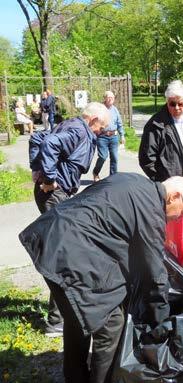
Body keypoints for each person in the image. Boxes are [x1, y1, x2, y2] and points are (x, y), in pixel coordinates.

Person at [19, 173, 183, 383]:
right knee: (111, 323)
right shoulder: (152, 209)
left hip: (49, 241)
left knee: (76, 320)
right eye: (181, 213)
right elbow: (154, 275)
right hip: (72, 254)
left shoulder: (134, 181)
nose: (177, 219)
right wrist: (160, 326)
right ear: (173, 197)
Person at [29, 101, 110, 337]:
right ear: (93, 120)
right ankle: (56, 322)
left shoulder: (71, 125)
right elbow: (49, 142)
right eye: (101, 128)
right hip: (54, 194)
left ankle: (60, 316)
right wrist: (48, 177)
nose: (101, 132)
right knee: (63, 256)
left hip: (57, 193)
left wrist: (36, 167)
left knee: (64, 252)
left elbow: (38, 139)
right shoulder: (78, 129)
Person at [139, 80, 183, 183]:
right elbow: (147, 159)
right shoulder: (155, 124)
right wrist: (163, 182)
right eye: (172, 104)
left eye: (180, 104)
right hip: (171, 187)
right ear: (167, 101)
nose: (177, 108)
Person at [92, 91, 126, 182]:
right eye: (109, 97)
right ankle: (96, 172)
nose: (110, 99)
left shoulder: (115, 110)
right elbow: (93, 122)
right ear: (105, 98)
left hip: (113, 137)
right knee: (103, 156)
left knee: (114, 157)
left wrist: (122, 135)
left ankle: (113, 177)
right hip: (102, 137)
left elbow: (119, 123)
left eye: (112, 97)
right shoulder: (100, 109)